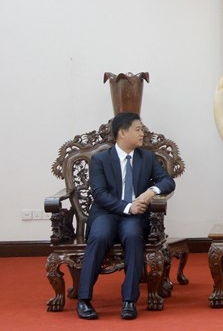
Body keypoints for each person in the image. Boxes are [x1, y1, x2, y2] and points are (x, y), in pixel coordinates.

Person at [76, 112, 175, 320]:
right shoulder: (101, 159)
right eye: (138, 129)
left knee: (133, 235)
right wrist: (127, 207)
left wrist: (150, 192)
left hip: (134, 217)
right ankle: (84, 299)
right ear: (122, 133)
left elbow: (168, 181)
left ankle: (129, 300)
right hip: (107, 212)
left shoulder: (146, 157)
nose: (143, 134)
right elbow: (99, 194)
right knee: (100, 236)